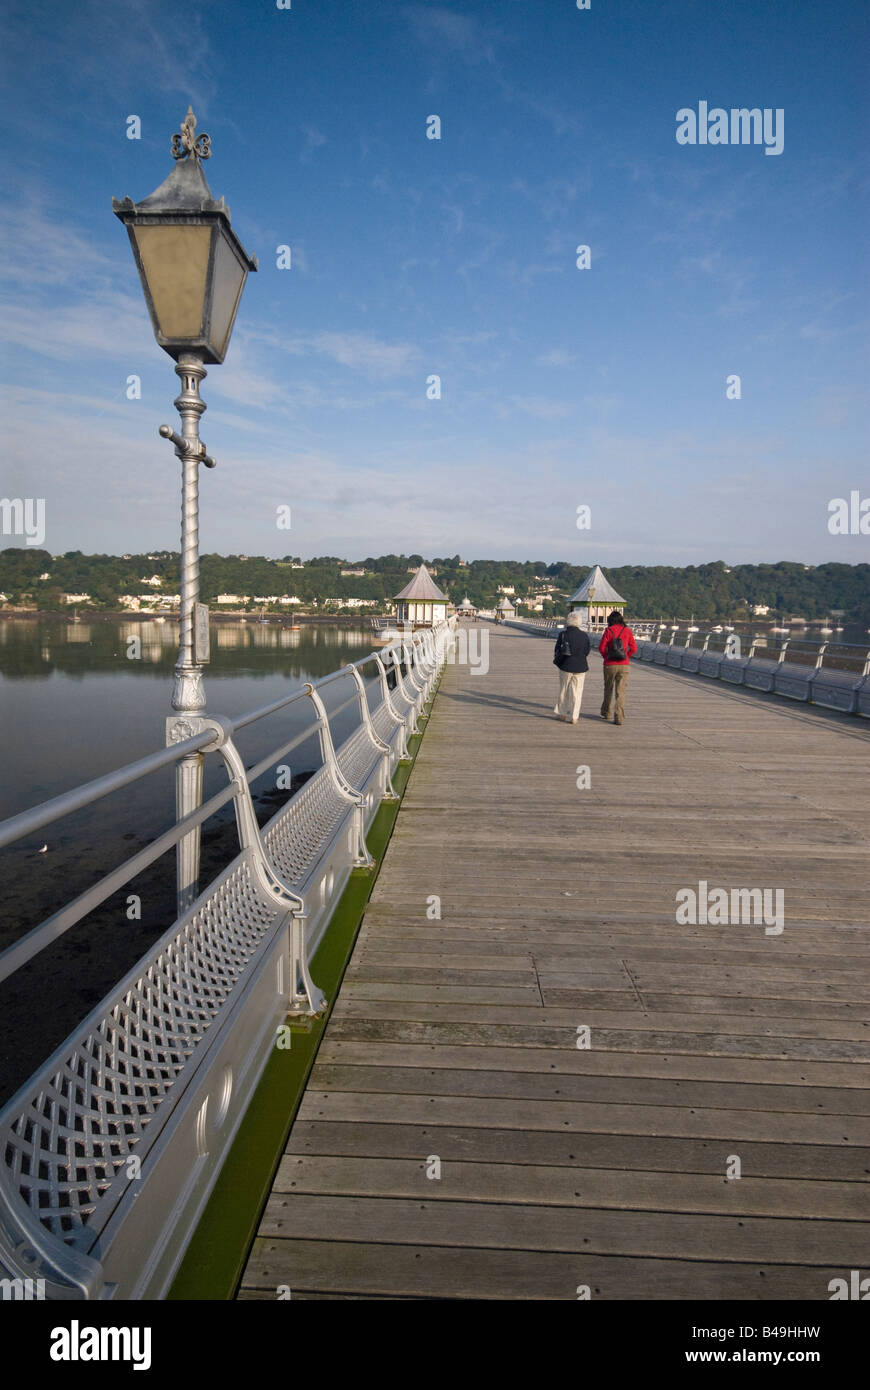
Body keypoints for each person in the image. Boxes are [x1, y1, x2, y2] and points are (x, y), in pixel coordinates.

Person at [599, 610, 637, 725]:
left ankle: (606, 712)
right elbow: (634, 648)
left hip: (610, 665)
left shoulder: (608, 631)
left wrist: (607, 657)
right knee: (620, 691)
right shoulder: (627, 631)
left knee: (608, 688)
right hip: (624, 665)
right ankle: (619, 716)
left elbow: (601, 648)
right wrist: (626, 657)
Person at [552, 611, 591, 722]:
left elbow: (557, 649)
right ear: (579, 622)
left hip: (565, 665)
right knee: (577, 692)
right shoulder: (584, 635)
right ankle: (574, 716)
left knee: (563, 690)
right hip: (580, 667)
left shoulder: (563, 634)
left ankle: (562, 713)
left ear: (568, 621)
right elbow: (587, 651)